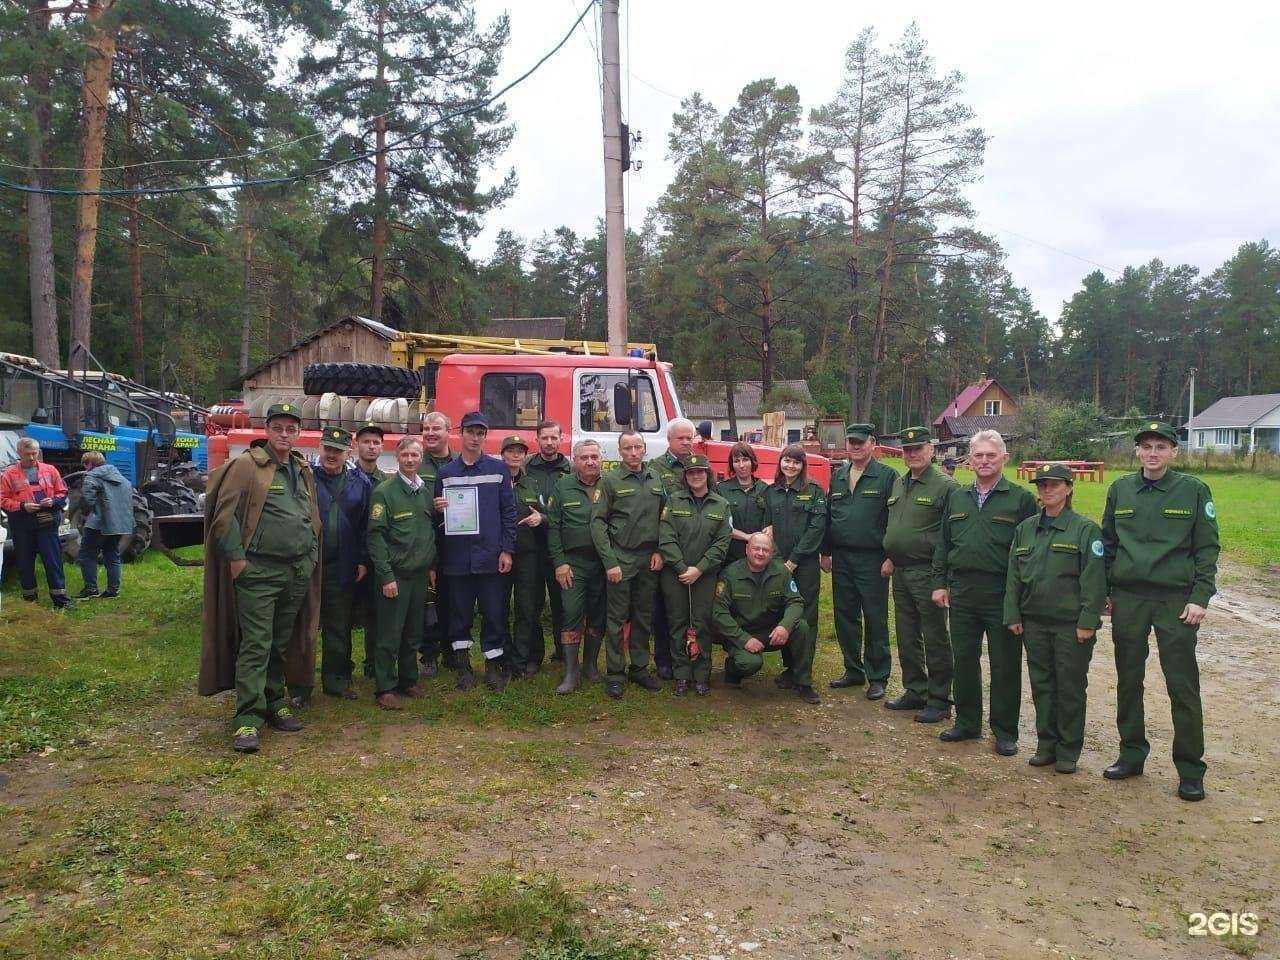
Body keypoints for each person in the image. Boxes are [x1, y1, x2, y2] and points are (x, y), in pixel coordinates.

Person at [1101, 421, 1219, 802]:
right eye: (1147, 446)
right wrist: (1106, 591)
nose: (1153, 453)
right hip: (1129, 600)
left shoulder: (1193, 490)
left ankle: (1190, 769)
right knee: (1128, 680)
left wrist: (1200, 597)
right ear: (1137, 451)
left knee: (1182, 685)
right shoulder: (1120, 490)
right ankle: (1131, 755)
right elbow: (1108, 544)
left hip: (1175, 602)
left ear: (1173, 452)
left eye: (1161, 447)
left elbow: (1206, 549)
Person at [200, 402, 320, 754]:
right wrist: (237, 560)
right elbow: (224, 517)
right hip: (259, 571)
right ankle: (247, 718)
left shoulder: (300, 468)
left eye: (291, 428)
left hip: (296, 570)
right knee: (256, 642)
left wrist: (310, 555)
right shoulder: (246, 466)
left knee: (280, 641)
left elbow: (309, 514)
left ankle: (272, 699)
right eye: (279, 428)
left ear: (298, 433)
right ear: (267, 430)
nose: (285, 434)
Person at [931, 430, 1038, 754]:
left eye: (991, 455)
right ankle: (967, 723)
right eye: (978, 455)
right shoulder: (958, 497)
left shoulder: (1020, 499)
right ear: (969, 459)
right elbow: (944, 543)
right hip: (963, 590)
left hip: (1002, 592)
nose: (984, 461)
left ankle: (1005, 731)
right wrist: (940, 582)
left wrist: (1022, 594)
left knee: (1005, 663)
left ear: (1004, 458)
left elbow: (1032, 549)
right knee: (963, 659)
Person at [1004, 463, 1107, 774]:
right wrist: (1013, 613)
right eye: (1042, 485)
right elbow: (1014, 576)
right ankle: (1046, 744)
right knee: (1042, 685)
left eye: (1055, 484)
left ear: (1069, 488)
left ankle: (1068, 749)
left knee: (1070, 687)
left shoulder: (1084, 530)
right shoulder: (1026, 529)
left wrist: (1088, 621)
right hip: (1034, 621)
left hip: (1069, 625)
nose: (1047, 490)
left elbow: (1094, 579)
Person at [433, 411, 516, 693]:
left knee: (493, 614)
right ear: (461, 433)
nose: (475, 437)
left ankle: (493, 667)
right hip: (457, 557)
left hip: (491, 557)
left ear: (485, 436)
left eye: (480, 433)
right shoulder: (445, 474)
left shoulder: (498, 470)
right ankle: (463, 667)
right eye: (470, 432)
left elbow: (509, 512)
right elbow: (437, 518)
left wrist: (507, 550)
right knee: (460, 615)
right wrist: (438, 510)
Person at [881, 426, 958, 723]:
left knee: (935, 636)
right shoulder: (900, 484)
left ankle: (940, 699)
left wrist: (943, 579)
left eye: (918, 449)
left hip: (928, 573)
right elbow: (897, 524)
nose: (912, 454)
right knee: (907, 634)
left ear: (932, 450)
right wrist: (890, 556)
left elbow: (950, 535)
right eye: (907, 450)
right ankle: (915, 689)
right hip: (900, 571)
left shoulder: (945, 486)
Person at [820, 424, 897, 699]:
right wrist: (826, 552)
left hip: (873, 558)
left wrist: (891, 556)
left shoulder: (887, 476)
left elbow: (894, 519)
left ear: (872, 444)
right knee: (845, 615)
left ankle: (878, 676)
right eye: (851, 442)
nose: (855, 446)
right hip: (842, 558)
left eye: (860, 442)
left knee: (875, 617)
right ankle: (853, 669)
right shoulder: (839, 476)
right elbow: (831, 516)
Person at [590, 430, 665, 698]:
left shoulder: (655, 478)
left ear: (645, 449)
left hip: (648, 560)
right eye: (627, 448)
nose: (633, 452)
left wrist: (660, 551)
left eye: (637, 447)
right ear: (619, 452)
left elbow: (663, 518)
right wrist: (610, 561)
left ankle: (640, 668)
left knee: (644, 617)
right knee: (616, 619)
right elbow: (598, 523)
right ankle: (615, 673)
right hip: (621, 558)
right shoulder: (610, 481)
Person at [366, 436, 436, 709]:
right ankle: (385, 687)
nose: (410, 460)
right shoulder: (385, 492)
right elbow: (376, 537)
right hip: (395, 575)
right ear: (397, 457)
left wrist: (432, 565)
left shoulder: (424, 490)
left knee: (413, 632)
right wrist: (386, 577)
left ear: (421, 459)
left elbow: (428, 531)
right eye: (405, 455)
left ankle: (408, 679)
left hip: (418, 575)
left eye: (415, 455)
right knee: (390, 634)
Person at [713, 532, 820, 704]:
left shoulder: (781, 572)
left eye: (765, 550)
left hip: (771, 633)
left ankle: (802, 682)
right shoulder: (730, 574)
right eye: (756, 548)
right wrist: (744, 639)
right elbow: (719, 613)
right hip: (742, 634)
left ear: (771, 553)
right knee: (749, 663)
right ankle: (733, 670)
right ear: (747, 549)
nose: (760, 553)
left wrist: (784, 626)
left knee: (802, 627)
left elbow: (795, 601)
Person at [658, 454, 732, 695]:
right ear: (685, 476)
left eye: (700, 472)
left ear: (707, 474)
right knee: (677, 623)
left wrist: (699, 569)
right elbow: (665, 537)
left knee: (701, 623)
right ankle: (682, 674)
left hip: (705, 574)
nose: (696, 476)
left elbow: (722, 543)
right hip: (675, 574)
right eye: (691, 473)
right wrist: (681, 568)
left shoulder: (721, 504)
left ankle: (701, 675)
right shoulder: (674, 501)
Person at [312, 427, 372, 700]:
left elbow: (365, 527)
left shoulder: (360, 483)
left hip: (342, 564)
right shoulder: (305, 479)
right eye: (328, 449)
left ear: (348, 452)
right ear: (320, 449)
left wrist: (361, 559)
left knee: (339, 625)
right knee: (303, 626)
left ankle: (336, 680)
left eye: (337, 451)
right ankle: (299, 685)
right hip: (309, 563)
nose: (332, 455)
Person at [547, 440, 608, 694]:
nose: (590, 461)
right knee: (571, 613)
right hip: (574, 564)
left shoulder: (610, 485)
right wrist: (560, 563)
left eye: (594, 457)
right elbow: (553, 528)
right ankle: (571, 673)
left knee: (599, 614)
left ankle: (591, 666)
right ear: (575, 460)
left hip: (604, 563)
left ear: (601, 459)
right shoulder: (563, 486)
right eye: (584, 457)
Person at [764, 444, 826, 689]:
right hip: (779, 564)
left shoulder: (813, 491)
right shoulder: (772, 492)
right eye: (786, 461)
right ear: (780, 463)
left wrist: (794, 560)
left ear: (803, 466)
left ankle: (804, 676)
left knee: (806, 618)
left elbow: (817, 529)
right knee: (784, 614)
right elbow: (767, 527)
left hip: (805, 565)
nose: (790, 466)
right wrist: (780, 561)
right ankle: (790, 668)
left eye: (796, 462)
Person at [646, 418, 697, 679]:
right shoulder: (655, 469)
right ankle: (663, 659)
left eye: (690, 438)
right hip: (665, 550)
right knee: (663, 608)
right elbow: (651, 510)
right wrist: (658, 549)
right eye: (682, 438)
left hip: (693, 546)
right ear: (669, 440)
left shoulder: (699, 466)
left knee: (690, 609)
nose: (687, 442)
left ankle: (691, 657)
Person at [1, 438, 70, 609]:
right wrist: (22, 506)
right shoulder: (9, 474)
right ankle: (30, 601)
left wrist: (53, 501)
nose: (32, 458)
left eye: (35, 453)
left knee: (52, 560)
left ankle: (60, 600)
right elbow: (2, 499)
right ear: (19, 453)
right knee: (24, 561)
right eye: (27, 454)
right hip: (22, 523)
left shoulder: (50, 470)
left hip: (47, 521)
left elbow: (63, 493)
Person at [501, 434, 549, 678]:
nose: (516, 455)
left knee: (526, 608)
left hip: (528, 555)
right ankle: (503, 657)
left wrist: (541, 518)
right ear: (502, 454)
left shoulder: (532, 484)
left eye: (520, 451)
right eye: (511, 451)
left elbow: (548, 514)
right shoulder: (495, 480)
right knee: (498, 609)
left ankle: (522, 661)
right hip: (500, 555)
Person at [524, 420, 572, 664]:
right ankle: (534, 655)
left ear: (561, 438)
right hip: (531, 546)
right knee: (532, 603)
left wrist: (545, 517)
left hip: (560, 547)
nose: (550, 442)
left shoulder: (571, 468)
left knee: (561, 603)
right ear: (537, 439)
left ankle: (563, 651)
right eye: (545, 438)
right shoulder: (525, 466)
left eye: (554, 437)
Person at [417, 411, 456, 677]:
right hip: (426, 542)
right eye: (426, 428)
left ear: (448, 431)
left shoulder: (460, 464)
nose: (431, 433)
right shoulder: (416, 464)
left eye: (436, 428)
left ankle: (452, 652)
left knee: (454, 600)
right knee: (427, 601)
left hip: (455, 543)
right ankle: (428, 654)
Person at [353, 421, 389, 681]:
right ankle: (341, 669)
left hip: (376, 558)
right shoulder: (346, 478)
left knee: (377, 616)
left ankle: (373, 664)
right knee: (344, 615)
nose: (371, 446)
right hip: (351, 557)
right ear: (356, 445)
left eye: (376, 442)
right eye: (366, 441)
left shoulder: (386, 482)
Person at [76, 450, 134, 600]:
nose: (85, 468)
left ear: (89, 463)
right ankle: (113, 590)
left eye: (85, 464)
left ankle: (91, 589)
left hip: (98, 523)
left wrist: (87, 514)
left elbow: (87, 499)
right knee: (112, 554)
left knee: (87, 555)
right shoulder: (122, 479)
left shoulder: (92, 475)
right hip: (117, 524)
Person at [716, 441, 773, 567]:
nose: (741, 465)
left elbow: (772, 519)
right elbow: (719, 524)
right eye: (736, 461)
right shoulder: (721, 489)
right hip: (730, 555)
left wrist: (771, 527)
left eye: (745, 460)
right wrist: (746, 537)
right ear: (732, 464)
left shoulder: (765, 489)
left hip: (759, 555)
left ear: (752, 461)